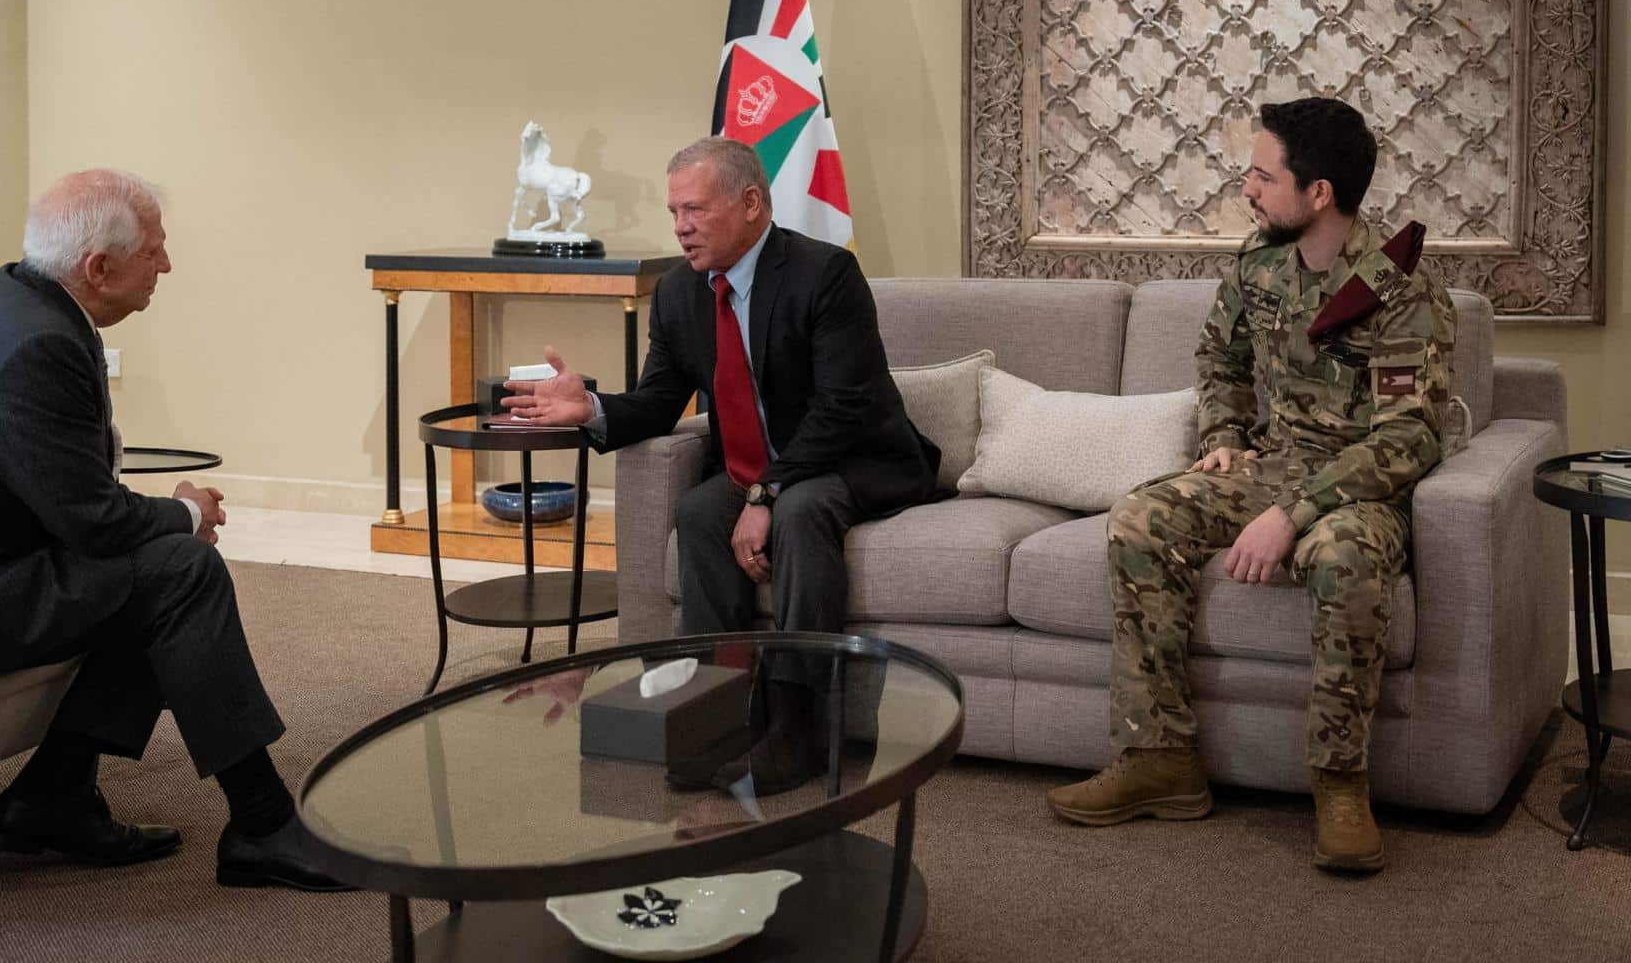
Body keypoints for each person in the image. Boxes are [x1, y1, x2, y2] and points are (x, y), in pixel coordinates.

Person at [0, 169, 346, 892]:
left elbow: (76, 503)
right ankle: (263, 825)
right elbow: (93, 523)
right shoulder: (35, 346)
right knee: (182, 571)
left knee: (156, 574)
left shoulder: (15, 307)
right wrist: (185, 511)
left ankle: (54, 795)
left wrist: (162, 521)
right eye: (156, 251)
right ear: (99, 268)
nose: (167, 266)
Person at [1045, 98, 1456, 874]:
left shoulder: (1400, 290)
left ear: (1320, 193)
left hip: (1359, 484)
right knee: (1141, 518)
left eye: (1264, 176)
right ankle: (1159, 760)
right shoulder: (1259, 262)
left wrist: (1290, 515)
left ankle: (1340, 787)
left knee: (1346, 558)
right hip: (1270, 461)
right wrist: (1226, 435)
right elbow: (1220, 360)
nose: (1247, 189)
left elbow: (1409, 436)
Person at [503, 137, 940, 795]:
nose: (681, 228)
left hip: (854, 459)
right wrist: (592, 405)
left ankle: (798, 732)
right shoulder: (680, 294)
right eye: (674, 212)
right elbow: (658, 401)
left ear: (752, 204)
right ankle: (717, 717)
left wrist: (764, 495)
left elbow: (843, 409)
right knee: (701, 513)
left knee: (799, 509)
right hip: (756, 469)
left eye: (696, 211)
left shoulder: (823, 274)